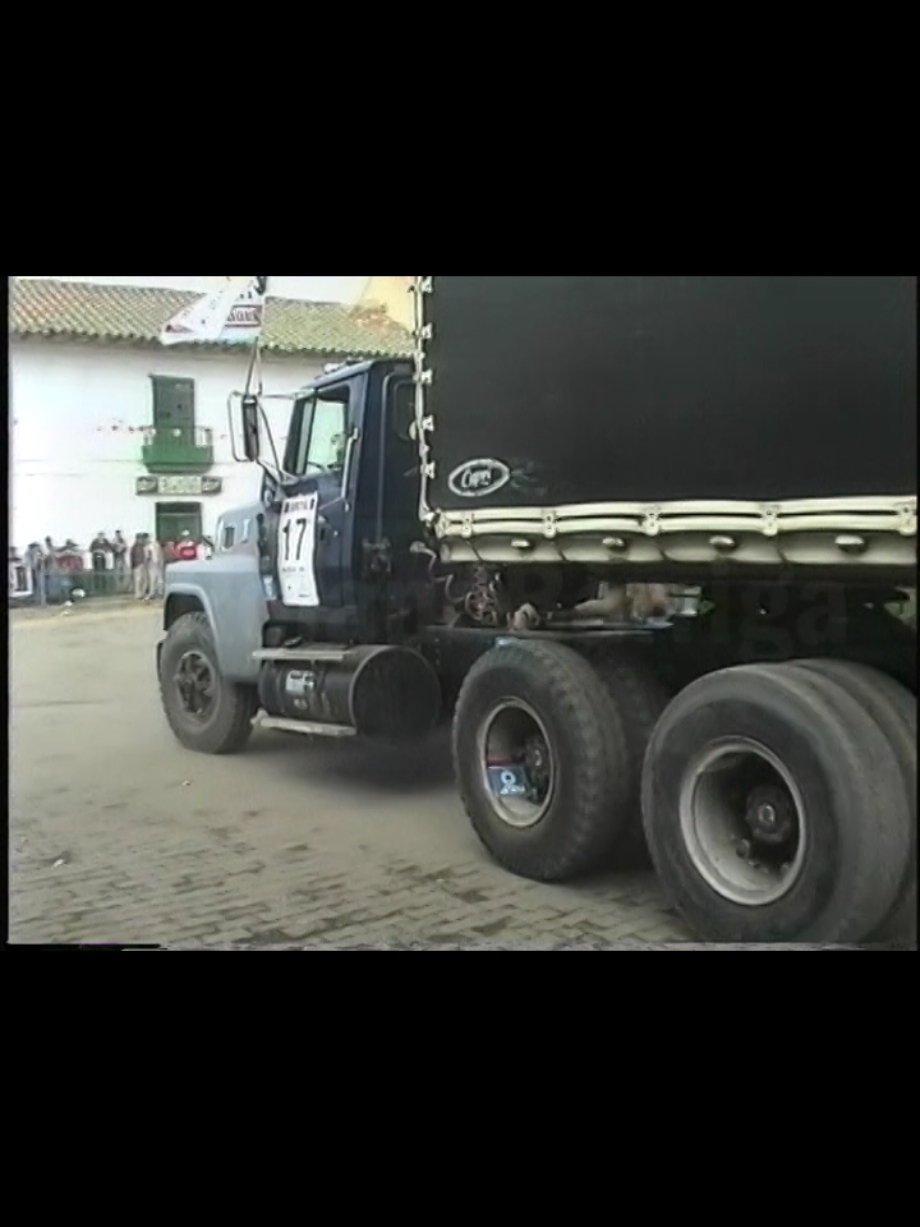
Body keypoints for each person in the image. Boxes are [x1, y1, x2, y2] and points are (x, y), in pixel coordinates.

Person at [89, 531, 110, 595]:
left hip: (103, 558)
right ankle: (97, 588)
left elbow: (109, 548)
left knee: (103, 573)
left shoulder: (106, 541)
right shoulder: (94, 542)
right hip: (95, 558)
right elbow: (90, 549)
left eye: (102, 536)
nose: (101, 537)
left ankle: (104, 588)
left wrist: (104, 551)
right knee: (96, 573)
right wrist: (97, 550)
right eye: (100, 536)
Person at [130, 533, 147, 600]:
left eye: (141, 538)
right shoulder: (134, 547)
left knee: (144, 580)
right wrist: (133, 566)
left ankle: (143, 593)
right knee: (138, 580)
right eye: (139, 538)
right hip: (137, 565)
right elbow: (131, 557)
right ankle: (138, 594)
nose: (141, 540)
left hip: (144, 564)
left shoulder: (144, 546)